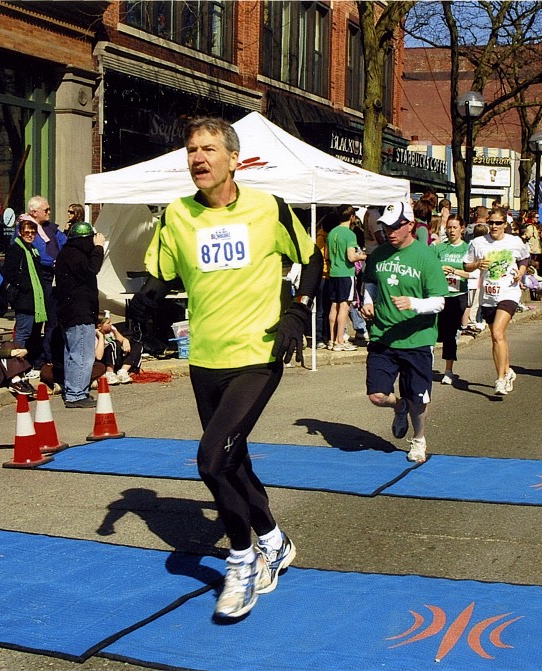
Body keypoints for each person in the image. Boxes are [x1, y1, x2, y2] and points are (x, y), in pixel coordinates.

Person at [131, 117, 321, 621]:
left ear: (234, 158)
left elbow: (312, 259)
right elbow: (160, 273)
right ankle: (276, 541)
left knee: (211, 461)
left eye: (209, 149)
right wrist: (142, 305)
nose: (199, 158)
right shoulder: (176, 215)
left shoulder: (268, 208)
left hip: (258, 356)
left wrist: (297, 312)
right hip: (205, 360)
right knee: (234, 462)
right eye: (192, 149)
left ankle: (242, 561)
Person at [361, 199, 448, 461]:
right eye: (386, 227)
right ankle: (398, 406)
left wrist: (414, 304)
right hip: (383, 336)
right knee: (377, 396)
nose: (389, 232)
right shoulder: (378, 254)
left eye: (395, 227)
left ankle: (419, 438)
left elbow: (439, 301)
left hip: (416, 338)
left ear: (410, 225)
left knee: (418, 399)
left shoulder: (425, 256)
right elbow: (370, 282)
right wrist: (367, 301)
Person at [463, 207, 530, 396]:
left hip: (509, 292)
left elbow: (525, 259)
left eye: (498, 223)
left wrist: (521, 272)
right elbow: (466, 265)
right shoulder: (478, 243)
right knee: (496, 337)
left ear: (505, 224)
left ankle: (500, 379)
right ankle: (507, 371)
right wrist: (477, 265)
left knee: (498, 333)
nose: (493, 226)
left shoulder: (514, 242)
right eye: (490, 222)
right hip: (488, 294)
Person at [55, 221, 105, 408]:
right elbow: (93, 269)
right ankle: (76, 394)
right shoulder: (76, 256)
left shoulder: (66, 254)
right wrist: (98, 247)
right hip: (79, 312)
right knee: (82, 354)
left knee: (72, 353)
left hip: (70, 312)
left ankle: (74, 390)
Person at [3, 216, 48, 366]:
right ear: (20, 233)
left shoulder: (34, 250)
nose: (29, 235)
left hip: (36, 301)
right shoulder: (15, 249)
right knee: (23, 333)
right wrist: (26, 286)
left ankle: (32, 363)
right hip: (25, 300)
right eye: (26, 232)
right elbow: (10, 273)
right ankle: (15, 366)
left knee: (35, 335)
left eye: (32, 232)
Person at [27, 195, 66, 369]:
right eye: (46, 210)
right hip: (38, 280)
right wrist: (51, 261)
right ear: (34, 212)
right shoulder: (26, 228)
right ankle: (34, 359)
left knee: (53, 320)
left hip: (54, 279)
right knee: (36, 322)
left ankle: (49, 357)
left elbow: (65, 243)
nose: (49, 212)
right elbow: (32, 253)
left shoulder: (52, 228)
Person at [433, 213, 470, 384]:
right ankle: (427, 365)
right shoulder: (439, 248)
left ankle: (448, 370)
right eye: (449, 227)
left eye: (455, 227)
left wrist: (454, 271)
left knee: (450, 333)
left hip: (457, 295)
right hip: (440, 294)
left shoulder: (467, 249)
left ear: (462, 229)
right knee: (434, 331)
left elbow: (472, 273)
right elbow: (430, 268)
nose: (451, 231)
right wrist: (440, 270)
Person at [325, 205, 366, 351]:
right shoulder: (350, 234)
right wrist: (363, 256)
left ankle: (331, 339)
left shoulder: (331, 233)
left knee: (334, 306)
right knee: (344, 306)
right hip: (346, 273)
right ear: (352, 217)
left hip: (333, 272)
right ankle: (340, 340)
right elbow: (351, 256)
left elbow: (327, 256)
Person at [95, 311, 140, 385]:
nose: (111, 324)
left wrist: (125, 340)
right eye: (108, 323)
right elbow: (99, 357)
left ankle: (123, 371)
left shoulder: (111, 331)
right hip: (105, 361)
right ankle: (110, 373)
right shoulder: (96, 335)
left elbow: (122, 339)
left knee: (137, 345)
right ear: (99, 326)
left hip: (117, 358)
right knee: (114, 344)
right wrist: (101, 337)